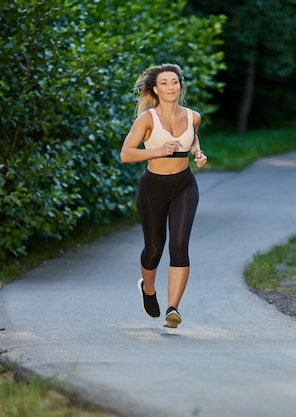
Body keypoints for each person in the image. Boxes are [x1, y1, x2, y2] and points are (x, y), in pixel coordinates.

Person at [120, 63, 207, 328]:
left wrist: (197, 153)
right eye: (164, 83)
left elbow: (192, 138)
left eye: (175, 82)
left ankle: (173, 309)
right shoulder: (147, 119)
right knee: (154, 248)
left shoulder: (193, 117)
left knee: (179, 245)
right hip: (153, 187)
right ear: (155, 89)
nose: (171, 87)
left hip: (184, 186)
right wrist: (157, 151)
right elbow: (126, 154)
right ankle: (147, 288)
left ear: (181, 85)